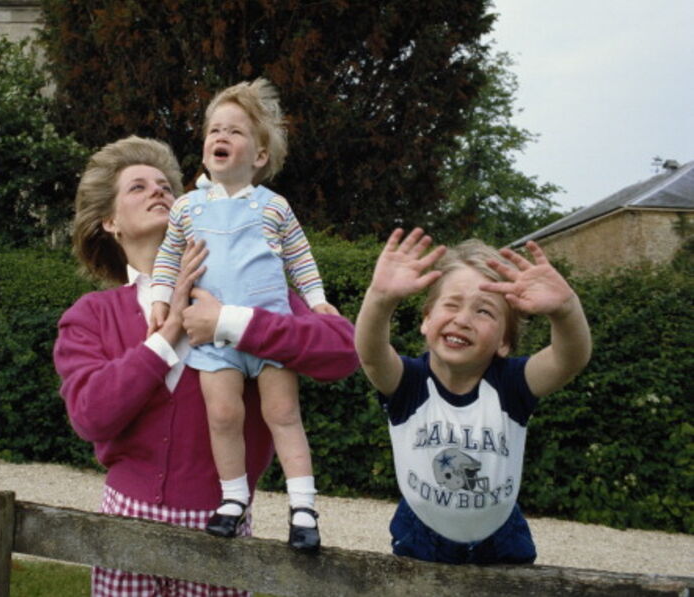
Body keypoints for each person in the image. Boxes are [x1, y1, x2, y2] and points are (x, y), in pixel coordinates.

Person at [54, 135, 359, 595]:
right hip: (123, 529)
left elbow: (343, 351)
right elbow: (92, 416)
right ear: (110, 222)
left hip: (222, 534)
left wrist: (232, 322)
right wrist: (170, 329)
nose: (159, 190)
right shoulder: (91, 315)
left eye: (165, 185)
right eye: (137, 187)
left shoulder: (257, 293)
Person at [148, 79, 336, 552]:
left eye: (234, 131)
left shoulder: (274, 207)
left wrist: (316, 301)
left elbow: (300, 259)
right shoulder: (187, 207)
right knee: (224, 416)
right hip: (214, 341)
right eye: (214, 130)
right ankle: (233, 500)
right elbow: (170, 259)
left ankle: (303, 506)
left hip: (270, 334)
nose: (220, 137)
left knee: (283, 414)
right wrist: (162, 302)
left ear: (259, 156)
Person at [354, 227, 592, 564]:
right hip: (421, 533)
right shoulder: (408, 383)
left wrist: (566, 309)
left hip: (501, 536)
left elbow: (570, 359)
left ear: (504, 342)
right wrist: (380, 298)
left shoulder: (512, 385)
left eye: (484, 311)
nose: (463, 319)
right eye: (451, 304)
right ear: (426, 320)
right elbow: (370, 354)